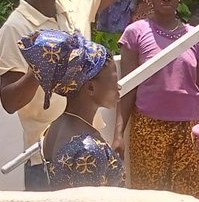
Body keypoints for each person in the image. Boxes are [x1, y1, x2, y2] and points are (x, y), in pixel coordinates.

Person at [0, 0, 152, 191]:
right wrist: (39, 69)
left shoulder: (75, 5)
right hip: (46, 155)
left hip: (88, 138)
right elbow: (8, 101)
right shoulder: (15, 28)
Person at [114, 0, 199, 195]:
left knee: (187, 197)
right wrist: (118, 134)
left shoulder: (194, 36)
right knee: (150, 198)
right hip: (148, 127)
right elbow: (127, 87)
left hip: (187, 129)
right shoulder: (135, 32)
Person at [17, 29, 124, 189]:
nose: (118, 87)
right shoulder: (88, 150)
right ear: (91, 88)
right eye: (114, 81)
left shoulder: (55, 127)